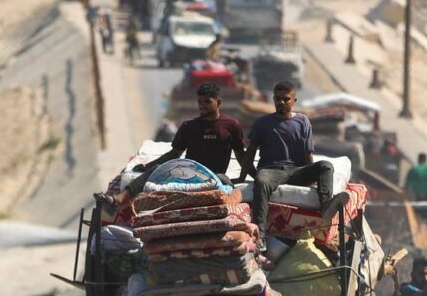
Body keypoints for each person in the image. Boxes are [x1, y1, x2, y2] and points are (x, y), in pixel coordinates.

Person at [95, 82, 247, 216]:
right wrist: (148, 166)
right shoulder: (189, 126)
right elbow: (174, 154)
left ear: (218, 102)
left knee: (226, 183)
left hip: (215, 176)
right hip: (189, 173)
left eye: (207, 101)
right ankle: (117, 200)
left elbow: (240, 155)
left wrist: (249, 175)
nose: (202, 105)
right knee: (157, 169)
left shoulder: (231, 125)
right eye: (199, 101)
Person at [242, 82, 350, 245]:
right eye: (277, 99)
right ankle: (260, 235)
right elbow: (250, 153)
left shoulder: (302, 121)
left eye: (286, 99)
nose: (281, 102)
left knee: (326, 166)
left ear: (294, 101)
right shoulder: (262, 123)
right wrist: (243, 176)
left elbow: (308, 154)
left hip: (296, 171)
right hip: (271, 171)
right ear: (273, 99)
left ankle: (326, 204)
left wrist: (312, 176)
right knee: (262, 181)